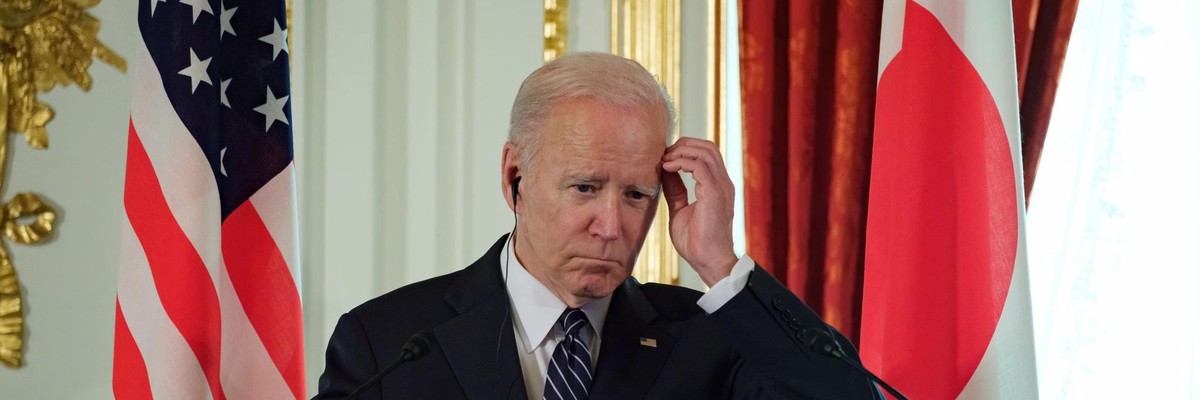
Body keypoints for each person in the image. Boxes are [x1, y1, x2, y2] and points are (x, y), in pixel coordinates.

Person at [314, 52, 878, 399]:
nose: (610, 226)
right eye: (585, 187)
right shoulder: (386, 344)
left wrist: (720, 266)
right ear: (515, 176)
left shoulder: (709, 339)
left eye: (636, 194)